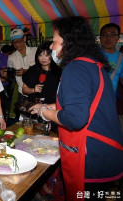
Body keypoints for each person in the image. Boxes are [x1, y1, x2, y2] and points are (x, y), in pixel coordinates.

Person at [29, 16, 123, 201]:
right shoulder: (92, 64)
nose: (51, 47)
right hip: (104, 152)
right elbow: (88, 104)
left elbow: (75, 118)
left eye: (55, 42)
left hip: (89, 155)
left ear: (68, 42)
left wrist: (43, 112)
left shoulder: (75, 68)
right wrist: (52, 106)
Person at [8, 28, 37, 100]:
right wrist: (7, 74)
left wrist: (26, 71)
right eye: (14, 42)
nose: (17, 44)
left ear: (24, 38)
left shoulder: (36, 51)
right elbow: (10, 74)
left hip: (37, 91)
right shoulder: (11, 57)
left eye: (19, 41)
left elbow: (42, 68)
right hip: (22, 93)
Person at [100, 23, 123, 94]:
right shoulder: (92, 54)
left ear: (118, 38)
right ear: (100, 38)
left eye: (113, 35)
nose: (108, 38)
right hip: (92, 99)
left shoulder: (121, 58)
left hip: (111, 99)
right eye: (104, 35)